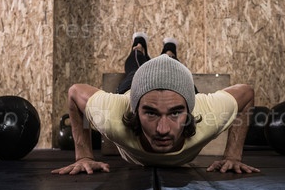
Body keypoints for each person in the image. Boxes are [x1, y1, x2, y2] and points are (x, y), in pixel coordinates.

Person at [51, 33, 259, 175]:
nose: (162, 129)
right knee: (136, 65)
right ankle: (138, 45)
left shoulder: (209, 115)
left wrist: (233, 156)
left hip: (181, 91)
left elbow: (247, 93)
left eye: (175, 113)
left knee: (174, 67)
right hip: (135, 87)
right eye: (151, 113)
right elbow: (75, 92)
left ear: (189, 110)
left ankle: (169, 53)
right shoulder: (111, 116)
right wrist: (83, 156)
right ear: (135, 111)